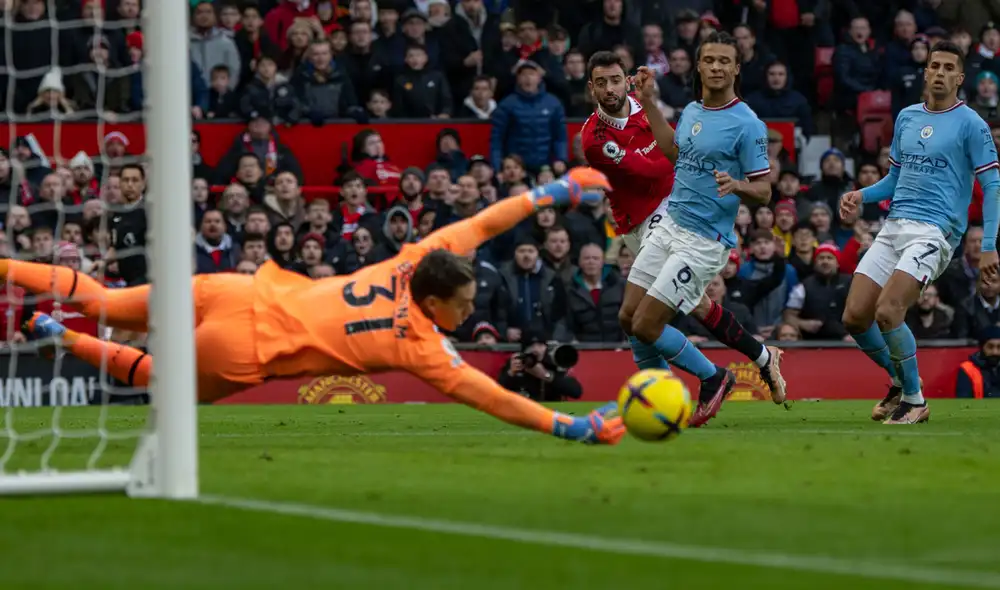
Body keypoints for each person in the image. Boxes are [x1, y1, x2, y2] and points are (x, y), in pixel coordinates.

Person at [14, 169, 625, 446]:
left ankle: (19, 284)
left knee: (101, 299)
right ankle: (63, 340)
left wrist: (553, 191)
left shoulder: (416, 258)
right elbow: (493, 398)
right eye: (463, 306)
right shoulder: (418, 345)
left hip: (242, 289)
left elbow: (485, 220)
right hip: (246, 348)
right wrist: (570, 426)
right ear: (435, 301)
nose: (468, 315)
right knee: (158, 381)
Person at [581, 50, 786, 408]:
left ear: (626, 80)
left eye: (615, 80)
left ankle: (702, 381)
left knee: (648, 317)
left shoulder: (646, 106)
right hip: (637, 224)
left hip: (672, 211)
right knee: (653, 315)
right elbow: (651, 169)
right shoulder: (594, 138)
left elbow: (675, 153)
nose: (610, 88)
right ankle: (760, 358)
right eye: (601, 83)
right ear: (592, 89)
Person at [840, 41, 1000, 425]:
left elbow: (993, 186)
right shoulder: (907, 117)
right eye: (935, 66)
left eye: (949, 67)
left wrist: (990, 247)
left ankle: (915, 400)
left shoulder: (972, 124)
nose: (941, 72)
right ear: (926, 72)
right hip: (894, 227)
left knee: (889, 310)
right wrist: (862, 193)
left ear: (960, 78)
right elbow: (895, 178)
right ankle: (898, 379)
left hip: (935, 232)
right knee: (855, 317)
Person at [622, 33, 774, 427]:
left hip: (704, 241)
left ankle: (713, 377)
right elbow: (674, 152)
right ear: (700, 66)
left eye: (725, 61)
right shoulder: (691, 110)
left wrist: (739, 185)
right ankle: (659, 399)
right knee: (627, 317)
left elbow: (765, 190)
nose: (717, 67)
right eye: (710, 60)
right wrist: (650, 101)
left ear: (737, 68)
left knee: (646, 324)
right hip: (671, 223)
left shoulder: (748, 124)